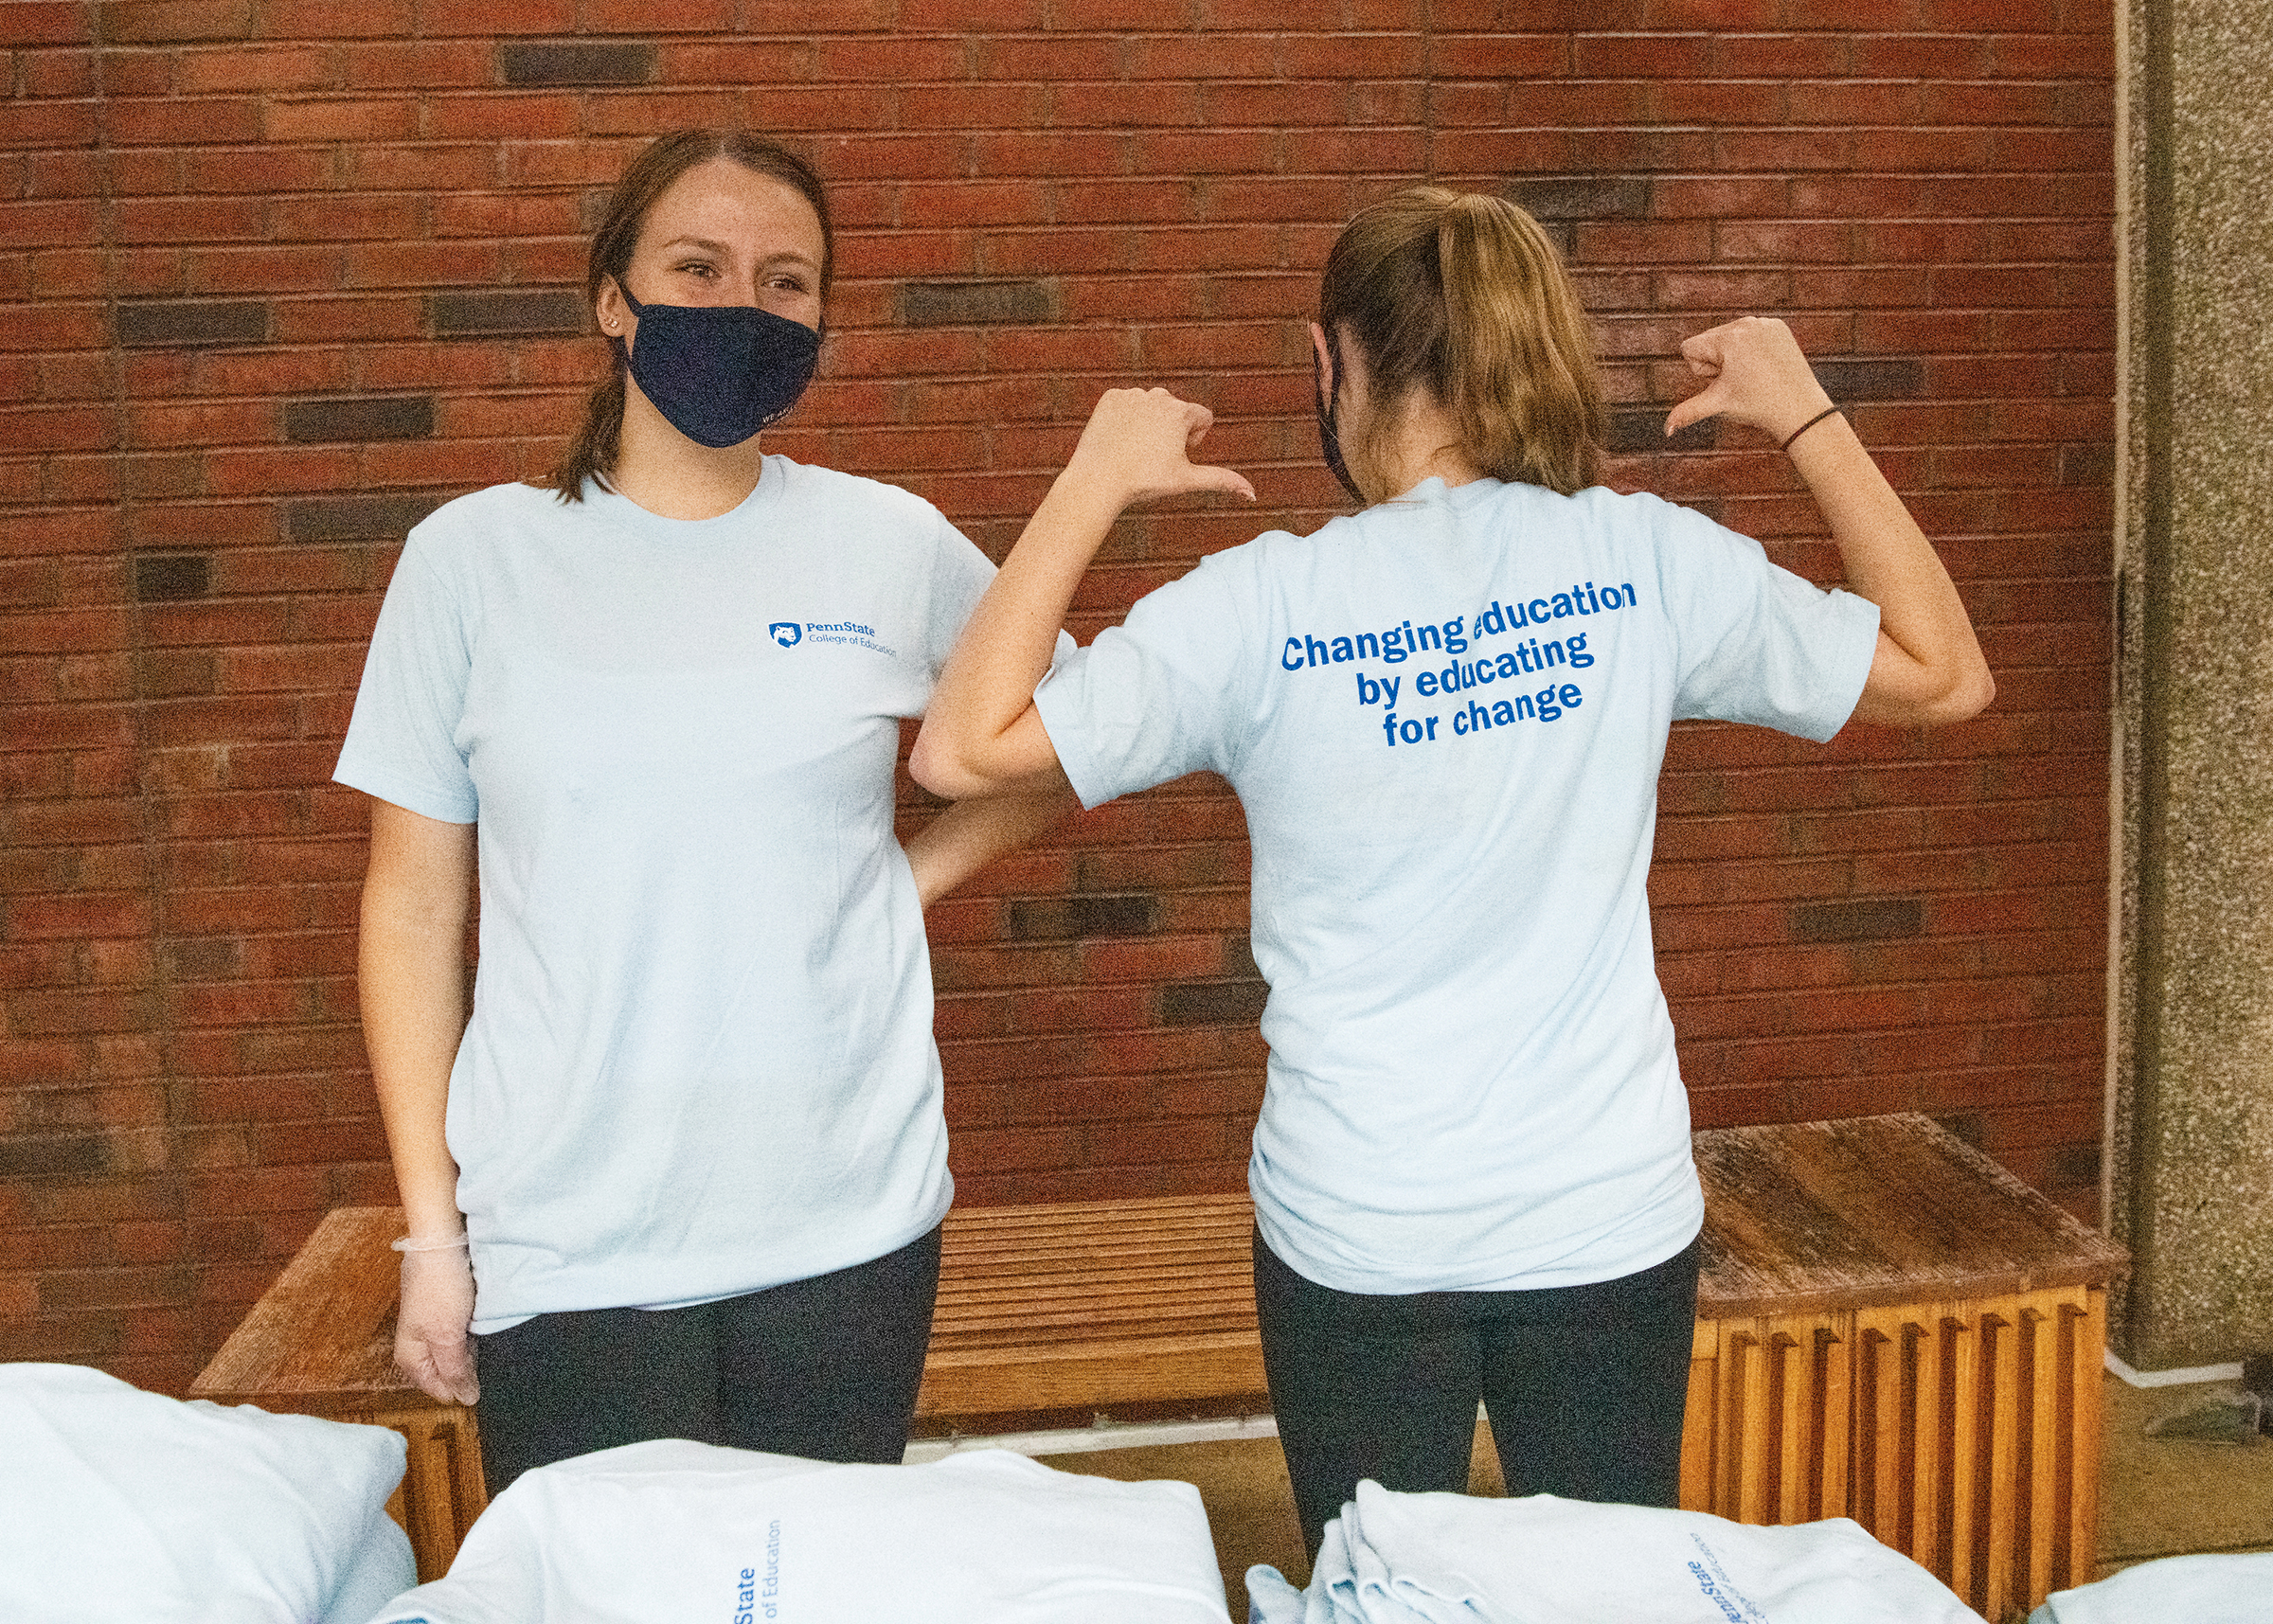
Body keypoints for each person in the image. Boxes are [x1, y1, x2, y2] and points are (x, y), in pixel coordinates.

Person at [910, 187, 1993, 1554]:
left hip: (1364, 1229)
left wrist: (1094, 475)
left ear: (1333, 363)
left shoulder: (1263, 604)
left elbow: (965, 746)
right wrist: (1806, 416)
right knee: (1606, 1593)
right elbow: (1944, 676)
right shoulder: (1638, 560)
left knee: (1382, 1588)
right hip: (1607, 1213)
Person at [338, 129, 1067, 1493]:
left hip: (846, 1223)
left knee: (813, 1587)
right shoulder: (473, 561)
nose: (743, 306)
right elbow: (412, 906)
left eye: (786, 282)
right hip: (569, 1236)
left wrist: (896, 888)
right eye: (699, 266)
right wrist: (432, 1237)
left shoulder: (888, 543)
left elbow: (1069, 743)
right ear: (613, 299)